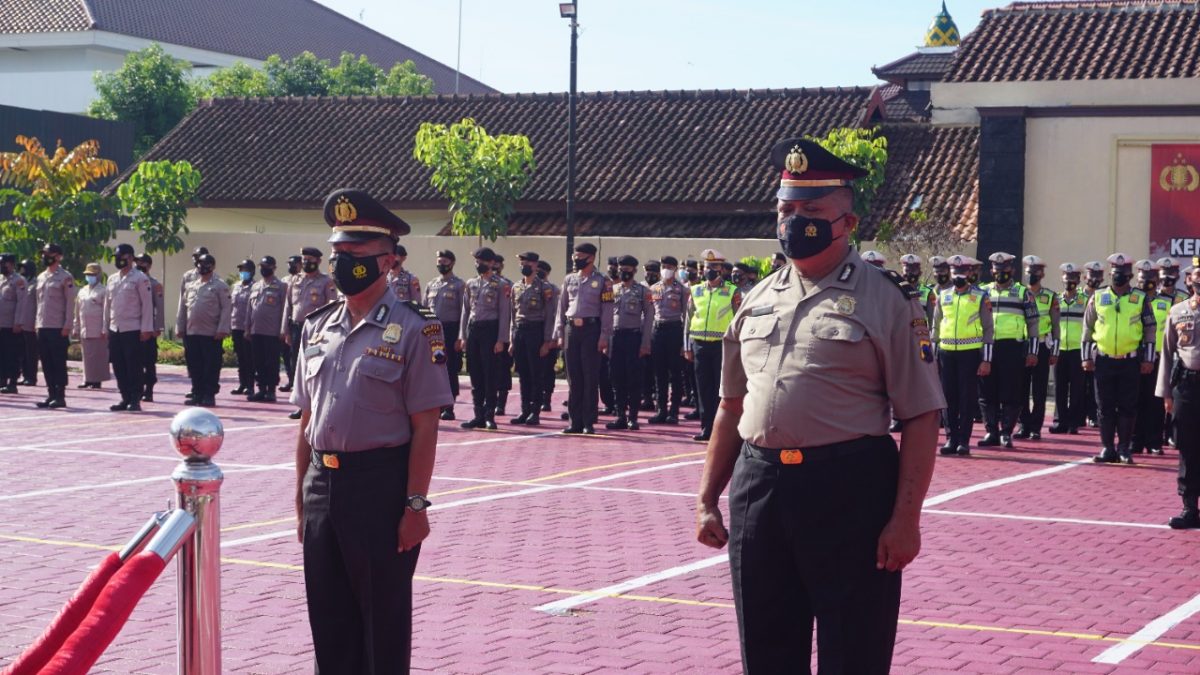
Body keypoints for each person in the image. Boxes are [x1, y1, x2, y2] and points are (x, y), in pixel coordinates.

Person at [696, 137, 944, 674]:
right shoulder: (756, 298)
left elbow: (922, 416)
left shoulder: (888, 300)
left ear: (848, 223)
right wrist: (707, 498)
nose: (794, 222)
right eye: (786, 209)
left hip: (850, 488)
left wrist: (906, 519)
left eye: (812, 211)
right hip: (760, 488)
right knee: (766, 649)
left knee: (852, 651)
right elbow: (730, 407)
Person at [292, 188, 451, 674]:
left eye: (354, 255)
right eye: (338, 252)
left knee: (381, 627)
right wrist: (302, 500)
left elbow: (426, 428)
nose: (342, 264)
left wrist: (416, 506)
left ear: (386, 261)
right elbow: (306, 421)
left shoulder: (415, 329)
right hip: (324, 485)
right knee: (330, 623)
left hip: (380, 489)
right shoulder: (317, 327)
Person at [1083, 253, 1157, 464]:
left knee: (1127, 406)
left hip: (1130, 361)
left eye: (1123, 274)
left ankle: (1124, 448)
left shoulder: (1140, 298)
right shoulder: (1098, 297)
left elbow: (1150, 330)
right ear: (1109, 274)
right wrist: (1085, 357)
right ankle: (1107, 448)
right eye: (1116, 273)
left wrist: (1148, 359)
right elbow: (1087, 329)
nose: (1119, 277)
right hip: (1104, 360)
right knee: (1104, 406)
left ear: (1131, 276)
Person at [932, 255, 993, 456]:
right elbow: (936, 327)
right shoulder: (943, 295)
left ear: (969, 274)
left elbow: (988, 330)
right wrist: (933, 356)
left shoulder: (980, 296)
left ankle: (964, 441)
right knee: (948, 397)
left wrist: (986, 359)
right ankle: (951, 438)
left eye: (962, 273)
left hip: (969, 354)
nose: (958, 276)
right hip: (946, 352)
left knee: (967, 398)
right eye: (955, 273)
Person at [978, 252, 1039, 449]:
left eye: (1004, 270)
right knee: (987, 393)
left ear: (1012, 270)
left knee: (1011, 393)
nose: (1001, 273)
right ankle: (991, 432)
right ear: (991, 271)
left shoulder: (1023, 293)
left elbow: (1033, 324)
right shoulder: (983, 292)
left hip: (1012, 348)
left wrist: (1033, 351)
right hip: (988, 348)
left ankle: (1006, 432)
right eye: (997, 270)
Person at [553, 242, 614, 435]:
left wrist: (604, 336)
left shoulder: (603, 281)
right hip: (572, 330)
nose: (576, 260)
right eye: (575, 257)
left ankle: (588, 421)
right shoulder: (569, 279)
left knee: (590, 377)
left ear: (591, 258)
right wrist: (560, 332)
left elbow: (607, 310)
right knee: (574, 378)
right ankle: (575, 421)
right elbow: (561, 308)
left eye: (580, 257)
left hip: (591, 330)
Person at [685, 249, 742, 442]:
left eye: (715, 266)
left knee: (721, 390)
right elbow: (688, 320)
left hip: (722, 347)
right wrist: (687, 347)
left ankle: (721, 431)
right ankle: (706, 428)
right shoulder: (696, 290)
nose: (710, 269)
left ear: (721, 269)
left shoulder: (732, 291)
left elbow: (739, 321)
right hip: (699, 346)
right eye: (708, 266)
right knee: (703, 389)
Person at [1159, 260, 1200, 528]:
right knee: (1187, 446)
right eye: (1196, 275)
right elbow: (1166, 352)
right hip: (1186, 386)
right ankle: (1189, 508)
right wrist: (1165, 393)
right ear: (1189, 281)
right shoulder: (1177, 311)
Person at [283, 247, 338, 420]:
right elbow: (288, 306)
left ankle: (314, 403)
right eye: (304, 259)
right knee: (296, 366)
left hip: (316, 332)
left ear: (318, 261)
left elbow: (332, 306)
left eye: (310, 259)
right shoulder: (294, 280)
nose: (307, 263)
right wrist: (285, 330)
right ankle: (301, 405)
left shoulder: (325, 282)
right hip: (296, 328)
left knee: (312, 365)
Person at [459, 247, 510, 430]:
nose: (477, 264)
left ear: (490, 263)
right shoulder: (471, 283)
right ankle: (477, 415)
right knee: (475, 373)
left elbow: (505, 314)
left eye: (481, 261)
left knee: (490, 374)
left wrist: (501, 339)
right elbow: (465, 310)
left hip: (491, 331)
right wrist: (462, 336)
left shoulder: (501, 285)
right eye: (476, 261)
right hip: (474, 330)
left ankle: (490, 415)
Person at [103, 243, 154, 411]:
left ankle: (135, 398)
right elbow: (107, 305)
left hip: (133, 328)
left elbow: (146, 305)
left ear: (131, 258)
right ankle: (124, 397)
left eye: (122, 257)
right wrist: (105, 328)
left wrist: (146, 328)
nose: (118, 260)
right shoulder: (112, 279)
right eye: (116, 257)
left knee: (134, 366)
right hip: (115, 328)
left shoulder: (140, 278)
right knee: (118, 365)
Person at [176, 253, 231, 407]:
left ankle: (209, 394)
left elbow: (226, 309)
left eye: (206, 264)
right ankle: (197, 393)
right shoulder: (191, 286)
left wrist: (222, 329)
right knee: (194, 365)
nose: (202, 266)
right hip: (192, 332)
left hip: (211, 334)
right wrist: (180, 327)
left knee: (210, 366)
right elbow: (183, 308)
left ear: (213, 266)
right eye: (199, 263)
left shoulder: (220, 286)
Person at [606, 255, 654, 430]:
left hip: (633, 338)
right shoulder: (612, 289)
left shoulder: (643, 291)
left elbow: (649, 318)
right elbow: (606, 315)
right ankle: (620, 416)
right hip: (615, 338)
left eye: (627, 269)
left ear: (634, 270)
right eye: (621, 269)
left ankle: (633, 417)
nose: (623, 272)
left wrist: (645, 343)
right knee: (616, 378)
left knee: (633, 379)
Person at [1015, 255, 1060, 440]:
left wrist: (1055, 351)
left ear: (1041, 275)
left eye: (1034, 273)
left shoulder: (1050, 296)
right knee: (1021, 388)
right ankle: (1023, 425)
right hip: (1023, 345)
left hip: (1041, 345)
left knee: (1039, 390)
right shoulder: (1018, 293)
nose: (1031, 276)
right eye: (1028, 273)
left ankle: (1035, 427)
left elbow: (1056, 326)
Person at [508, 251, 555, 425]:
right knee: (523, 374)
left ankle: (535, 411)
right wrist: (512, 339)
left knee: (536, 374)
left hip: (536, 332)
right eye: (521, 263)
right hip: (520, 332)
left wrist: (547, 341)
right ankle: (524, 409)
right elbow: (512, 315)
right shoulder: (516, 287)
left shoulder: (544, 288)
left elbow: (550, 316)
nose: (524, 266)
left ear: (535, 265)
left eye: (527, 263)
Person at [1134, 259, 1171, 455]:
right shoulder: (1132, 300)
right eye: (1142, 279)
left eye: (1149, 279)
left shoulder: (1166, 302)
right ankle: (1135, 441)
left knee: (1156, 402)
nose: (1145, 282)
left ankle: (1154, 441)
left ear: (1156, 280)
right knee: (1134, 400)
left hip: (1159, 358)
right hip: (1135, 357)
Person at [425, 249, 466, 420]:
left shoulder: (458, 285)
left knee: (449, 369)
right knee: (433, 368)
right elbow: (424, 309)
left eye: (444, 262)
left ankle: (449, 406)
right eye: (439, 262)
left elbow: (464, 311)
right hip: (433, 331)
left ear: (452, 263)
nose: (441, 265)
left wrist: (460, 336)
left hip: (450, 330)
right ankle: (436, 404)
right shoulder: (431, 284)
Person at [34, 244, 75, 408]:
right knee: (46, 362)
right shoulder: (41, 276)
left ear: (58, 256)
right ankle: (50, 394)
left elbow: (70, 303)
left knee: (58, 362)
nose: (45, 256)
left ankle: (60, 395)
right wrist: (36, 324)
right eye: (44, 253)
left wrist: (67, 325)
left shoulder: (65, 277)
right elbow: (38, 303)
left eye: (48, 254)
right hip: (42, 325)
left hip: (58, 327)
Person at [648, 255, 688, 425]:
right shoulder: (654, 288)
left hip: (674, 330)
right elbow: (649, 313)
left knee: (675, 374)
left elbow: (686, 316)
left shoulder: (682, 290)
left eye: (670, 266)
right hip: (658, 330)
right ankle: (661, 410)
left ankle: (674, 412)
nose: (666, 269)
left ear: (675, 269)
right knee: (659, 373)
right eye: (664, 266)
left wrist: (685, 342)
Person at [1050, 263, 1087, 434]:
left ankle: (1073, 422)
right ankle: (1060, 421)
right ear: (1062, 279)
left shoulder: (1085, 300)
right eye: (1067, 278)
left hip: (1078, 350)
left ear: (1078, 280)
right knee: (1060, 387)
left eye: (1073, 278)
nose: (1069, 281)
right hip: (1060, 349)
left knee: (1077, 388)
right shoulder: (1055, 299)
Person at [247, 256, 287, 403]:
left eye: (266, 266)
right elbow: (249, 310)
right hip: (256, 330)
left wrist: (283, 329)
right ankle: (261, 389)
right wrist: (247, 328)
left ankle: (271, 390)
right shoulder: (256, 286)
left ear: (273, 268)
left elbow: (285, 309)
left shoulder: (281, 286)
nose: (263, 269)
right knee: (258, 361)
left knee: (271, 362)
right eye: (261, 266)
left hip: (272, 331)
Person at [72, 262, 110, 391]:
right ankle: (87, 378)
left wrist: (105, 328)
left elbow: (106, 312)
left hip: (98, 327)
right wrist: (75, 327)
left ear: (98, 275)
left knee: (98, 355)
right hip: (85, 327)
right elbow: (77, 311)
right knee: (87, 355)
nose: (90, 277)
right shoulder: (82, 291)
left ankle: (97, 380)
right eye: (88, 274)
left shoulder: (103, 290)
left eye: (92, 274)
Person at [133, 253, 164, 402]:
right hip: (133, 327)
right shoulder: (130, 281)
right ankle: (137, 389)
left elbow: (159, 307)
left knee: (149, 361)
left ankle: (149, 389)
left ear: (149, 265)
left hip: (149, 328)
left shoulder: (154, 284)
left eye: (142, 263)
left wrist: (158, 327)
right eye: (137, 262)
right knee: (135, 361)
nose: (139, 265)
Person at [178, 246, 208, 403]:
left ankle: (207, 390)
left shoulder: (214, 278)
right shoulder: (188, 276)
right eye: (195, 256)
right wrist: (180, 325)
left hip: (207, 328)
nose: (197, 259)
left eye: (200, 256)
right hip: (190, 327)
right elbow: (182, 302)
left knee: (206, 361)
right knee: (192, 360)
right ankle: (196, 388)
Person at [0, 253, 28, 393]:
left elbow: (22, 303)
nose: (1, 266)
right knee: (1, 354)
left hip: (11, 325)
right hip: (0, 324)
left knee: (11, 354)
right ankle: (2, 380)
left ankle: (12, 383)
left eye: (3, 263)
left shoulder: (19, 281)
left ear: (11, 264)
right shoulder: (0, 280)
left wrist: (18, 322)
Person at [1082, 260, 1106, 427]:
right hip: (1076, 346)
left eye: (1098, 277)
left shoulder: (1104, 297)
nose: (1095, 280)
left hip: (1095, 348)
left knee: (1093, 384)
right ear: (1085, 277)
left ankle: (1093, 414)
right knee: (1078, 385)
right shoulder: (1076, 296)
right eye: (1092, 276)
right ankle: (1076, 416)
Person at [491, 254, 515, 417]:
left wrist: (507, 337)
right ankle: (489, 402)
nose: (495, 267)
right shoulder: (478, 283)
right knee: (487, 370)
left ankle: (501, 403)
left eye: (498, 264)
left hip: (504, 332)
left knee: (503, 369)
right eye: (493, 264)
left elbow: (511, 313)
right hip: (487, 332)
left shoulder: (508, 285)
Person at [536, 260, 560, 413]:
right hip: (534, 333)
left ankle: (546, 399)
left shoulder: (553, 290)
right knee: (534, 369)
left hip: (549, 334)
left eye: (541, 270)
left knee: (547, 369)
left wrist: (552, 339)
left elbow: (555, 316)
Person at [230, 259, 256, 396]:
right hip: (236, 326)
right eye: (240, 270)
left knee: (249, 358)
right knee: (240, 357)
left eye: (244, 270)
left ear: (252, 271)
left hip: (248, 328)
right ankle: (242, 384)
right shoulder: (236, 286)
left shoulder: (255, 286)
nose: (242, 272)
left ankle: (250, 386)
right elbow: (232, 306)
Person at [278, 254, 303, 392]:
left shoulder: (303, 280)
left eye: (293, 264)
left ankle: (298, 384)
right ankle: (291, 380)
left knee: (298, 355)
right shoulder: (284, 281)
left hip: (298, 322)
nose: (290, 266)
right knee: (287, 355)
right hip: (286, 321)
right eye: (289, 264)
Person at [640, 260, 662, 411]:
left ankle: (656, 399)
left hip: (657, 331)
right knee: (643, 368)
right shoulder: (640, 287)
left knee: (656, 368)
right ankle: (645, 397)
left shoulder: (662, 288)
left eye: (654, 272)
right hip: (640, 332)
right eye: (648, 272)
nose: (650, 275)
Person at [17, 259, 38, 386]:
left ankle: (31, 376)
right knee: (21, 351)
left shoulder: (36, 284)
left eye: (24, 268)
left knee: (31, 352)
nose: (21, 271)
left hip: (31, 323)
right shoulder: (21, 283)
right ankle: (24, 375)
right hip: (20, 322)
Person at [901, 254, 935, 322]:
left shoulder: (927, 292)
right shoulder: (896, 290)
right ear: (902, 272)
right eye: (907, 270)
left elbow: (932, 317)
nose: (910, 273)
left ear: (920, 273)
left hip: (920, 330)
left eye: (914, 270)